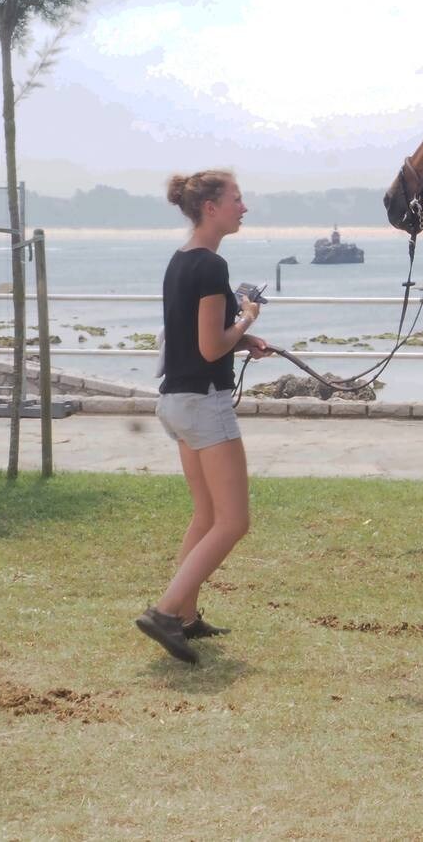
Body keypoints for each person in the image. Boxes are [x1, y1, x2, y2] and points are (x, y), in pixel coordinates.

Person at [135, 169, 270, 664]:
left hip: (176, 401)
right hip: (204, 404)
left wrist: (242, 338)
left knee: (206, 516)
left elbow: (195, 338)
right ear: (210, 207)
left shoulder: (180, 261)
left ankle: (186, 618)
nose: (243, 207)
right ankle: (166, 612)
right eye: (237, 198)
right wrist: (247, 320)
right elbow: (212, 342)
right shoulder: (213, 267)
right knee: (233, 522)